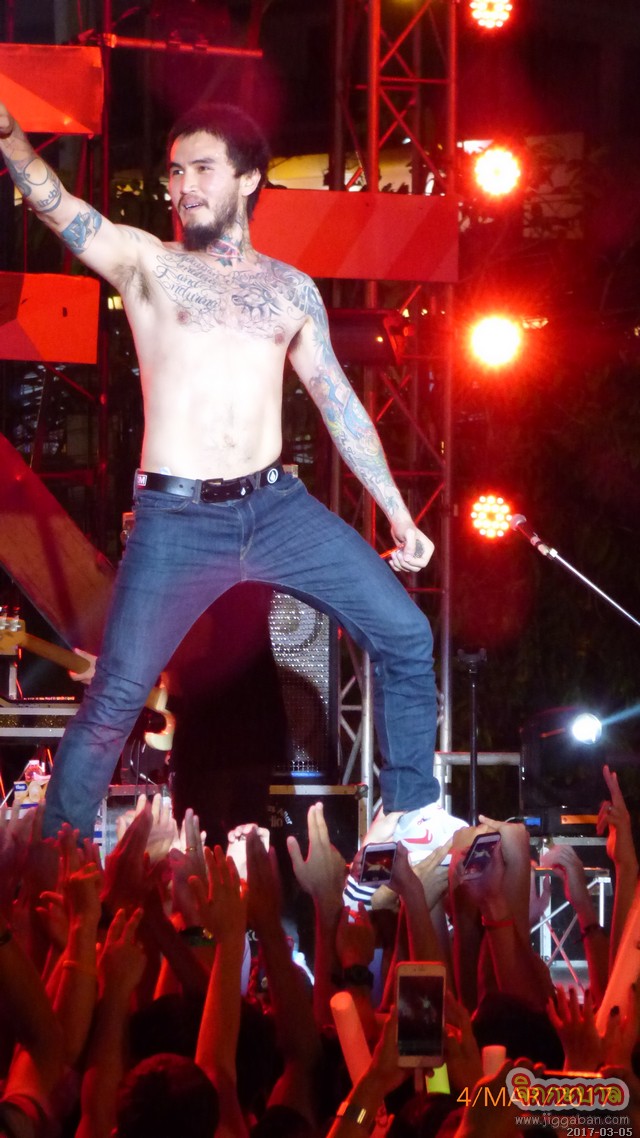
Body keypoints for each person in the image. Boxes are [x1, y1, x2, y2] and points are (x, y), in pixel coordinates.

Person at [0, 99, 458, 851]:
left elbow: (340, 404)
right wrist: (14, 141)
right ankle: (56, 862)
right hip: (178, 521)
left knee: (405, 633)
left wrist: (398, 513)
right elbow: (61, 210)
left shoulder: (291, 289)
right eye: (176, 171)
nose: (183, 186)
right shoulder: (147, 263)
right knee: (116, 696)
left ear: (248, 179)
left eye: (202, 169)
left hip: (278, 508)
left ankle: (409, 815)